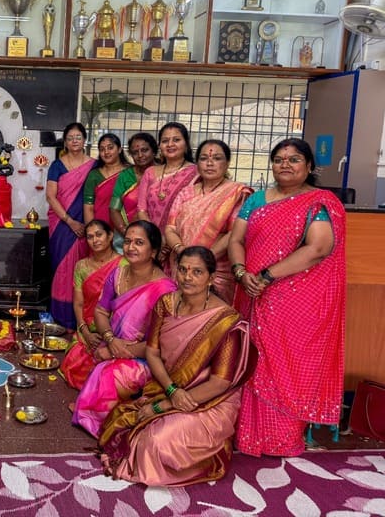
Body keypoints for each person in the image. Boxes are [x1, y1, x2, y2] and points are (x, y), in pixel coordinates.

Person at [229, 138, 345, 457]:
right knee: (253, 360)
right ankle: (250, 437)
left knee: (287, 365)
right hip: (252, 293)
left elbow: (318, 248)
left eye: (294, 159)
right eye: (279, 159)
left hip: (296, 300)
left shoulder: (317, 202)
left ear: (309, 166)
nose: (285, 164)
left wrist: (266, 276)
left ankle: (283, 439)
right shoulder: (256, 201)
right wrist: (241, 274)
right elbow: (236, 239)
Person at [98, 246, 251, 486]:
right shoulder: (166, 303)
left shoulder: (226, 321)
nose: (188, 277)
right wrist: (170, 390)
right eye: (183, 269)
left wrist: (164, 405)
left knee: (154, 442)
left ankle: (209, 457)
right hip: (169, 387)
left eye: (197, 272)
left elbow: (220, 383)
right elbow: (152, 352)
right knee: (124, 423)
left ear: (211, 278)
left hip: (209, 401)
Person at [72, 220, 176, 435]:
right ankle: (100, 409)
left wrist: (116, 351)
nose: (131, 247)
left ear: (154, 251)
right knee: (81, 356)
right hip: (115, 342)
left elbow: (163, 342)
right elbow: (101, 312)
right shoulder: (118, 275)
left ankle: (108, 426)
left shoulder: (165, 289)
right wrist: (110, 339)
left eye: (139, 242)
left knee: (108, 373)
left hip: (147, 357)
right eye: (128, 241)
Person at [165, 139, 252, 301]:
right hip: (182, 264)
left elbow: (234, 233)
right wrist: (181, 251)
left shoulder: (236, 192)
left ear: (227, 164)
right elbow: (170, 228)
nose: (210, 163)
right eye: (204, 158)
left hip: (217, 268)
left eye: (217, 158)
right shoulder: (186, 193)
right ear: (197, 163)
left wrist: (204, 260)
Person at [59, 219, 121, 389]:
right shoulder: (81, 266)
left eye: (99, 235)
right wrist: (85, 331)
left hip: (115, 329)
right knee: (75, 363)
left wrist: (111, 336)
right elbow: (79, 304)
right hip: (87, 326)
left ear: (110, 236)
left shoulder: (124, 265)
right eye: (90, 237)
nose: (95, 240)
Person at [46, 123, 96, 329]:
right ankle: (59, 316)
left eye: (78, 137)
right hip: (61, 224)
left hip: (85, 225)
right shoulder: (57, 165)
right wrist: (69, 220)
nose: (74, 141)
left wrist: (87, 224)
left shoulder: (94, 165)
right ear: (65, 142)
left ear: (84, 140)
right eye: (70, 138)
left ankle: (80, 318)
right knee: (60, 269)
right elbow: (50, 196)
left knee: (81, 268)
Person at [136, 122, 197, 238]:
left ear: (186, 144)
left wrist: (171, 240)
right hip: (152, 238)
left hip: (182, 238)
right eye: (165, 141)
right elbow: (142, 210)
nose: (170, 144)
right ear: (159, 146)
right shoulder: (150, 172)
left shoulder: (196, 173)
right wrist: (156, 238)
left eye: (176, 140)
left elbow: (194, 213)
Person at [110, 132, 157, 242]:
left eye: (145, 150)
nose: (140, 155)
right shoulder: (125, 176)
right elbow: (114, 209)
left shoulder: (164, 174)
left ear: (154, 151)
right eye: (135, 152)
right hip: (129, 235)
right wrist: (126, 233)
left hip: (160, 235)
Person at [82, 133, 129, 226]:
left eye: (110, 148)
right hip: (101, 229)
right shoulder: (94, 175)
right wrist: (92, 232)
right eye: (102, 149)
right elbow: (89, 208)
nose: (106, 152)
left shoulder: (130, 173)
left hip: (127, 228)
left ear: (119, 149)